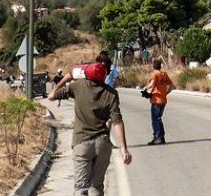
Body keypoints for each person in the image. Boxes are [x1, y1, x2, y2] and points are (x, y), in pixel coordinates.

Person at [48, 56, 132, 196]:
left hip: (82, 142)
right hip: (103, 144)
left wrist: (59, 85)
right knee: (96, 186)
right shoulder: (111, 94)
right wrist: (124, 149)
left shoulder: (78, 86)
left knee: (81, 188)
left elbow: (53, 96)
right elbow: (117, 121)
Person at [140, 58, 175, 145]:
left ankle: (158, 136)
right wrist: (165, 93)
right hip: (163, 99)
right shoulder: (164, 75)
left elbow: (152, 84)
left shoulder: (155, 74)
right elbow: (171, 86)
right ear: (160, 66)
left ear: (153, 66)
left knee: (155, 119)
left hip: (156, 100)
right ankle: (161, 137)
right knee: (159, 118)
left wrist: (145, 88)